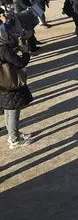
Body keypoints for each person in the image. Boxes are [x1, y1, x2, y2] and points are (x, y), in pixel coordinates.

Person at [0, 19, 33, 149]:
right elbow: (19, 63)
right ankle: (14, 139)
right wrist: (25, 52)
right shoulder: (2, 48)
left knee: (8, 109)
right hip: (10, 82)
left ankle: (12, 135)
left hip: (2, 83)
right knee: (13, 110)